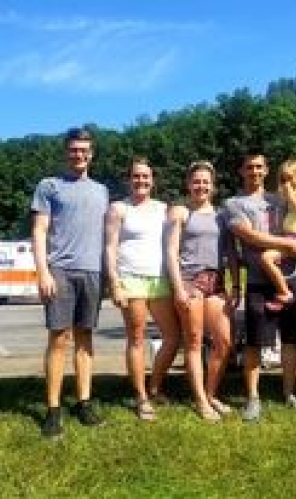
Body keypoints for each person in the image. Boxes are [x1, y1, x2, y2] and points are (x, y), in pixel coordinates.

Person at [31, 127, 109, 438]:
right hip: (60, 270)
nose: (79, 155)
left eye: (84, 150)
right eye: (74, 149)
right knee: (59, 339)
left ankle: (84, 402)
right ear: (66, 152)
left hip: (93, 271)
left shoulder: (102, 191)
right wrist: (43, 271)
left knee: (85, 337)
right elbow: (39, 231)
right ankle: (53, 410)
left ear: (91, 154)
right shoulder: (49, 186)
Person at [223, 153, 296, 422]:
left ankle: (289, 393)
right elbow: (249, 236)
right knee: (254, 342)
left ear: (266, 170)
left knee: (290, 339)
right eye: (249, 167)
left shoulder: (280, 198)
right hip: (258, 281)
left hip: (291, 276)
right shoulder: (233, 203)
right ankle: (253, 398)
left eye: (259, 167)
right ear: (241, 170)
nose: (255, 171)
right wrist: (289, 244)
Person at [104, 156, 181, 421]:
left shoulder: (163, 208)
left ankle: (155, 386)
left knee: (173, 337)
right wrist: (114, 283)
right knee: (136, 338)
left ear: (153, 180)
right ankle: (141, 397)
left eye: (145, 176)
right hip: (131, 279)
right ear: (129, 180)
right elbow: (110, 247)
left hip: (160, 279)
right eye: (136, 176)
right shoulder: (119, 209)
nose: (141, 181)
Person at [166, 160, 240, 421]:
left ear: (213, 186)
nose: (201, 186)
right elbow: (171, 252)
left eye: (205, 182)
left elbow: (231, 253)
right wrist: (179, 288)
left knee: (224, 342)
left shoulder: (222, 216)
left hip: (216, 283)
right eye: (196, 181)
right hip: (191, 282)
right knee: (194, 342)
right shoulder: (182, 213)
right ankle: (200, 400)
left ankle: (210, 394)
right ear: (188, 185)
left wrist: (235, 285)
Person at [259, 159, 296, 311]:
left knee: (266, 258)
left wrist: (289, 191)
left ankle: (285, 293)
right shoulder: (295, 191)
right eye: (283, 178)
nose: (286, 182)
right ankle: (283, 296)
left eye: (289, 178)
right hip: (289, 236)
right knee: (277, 264)